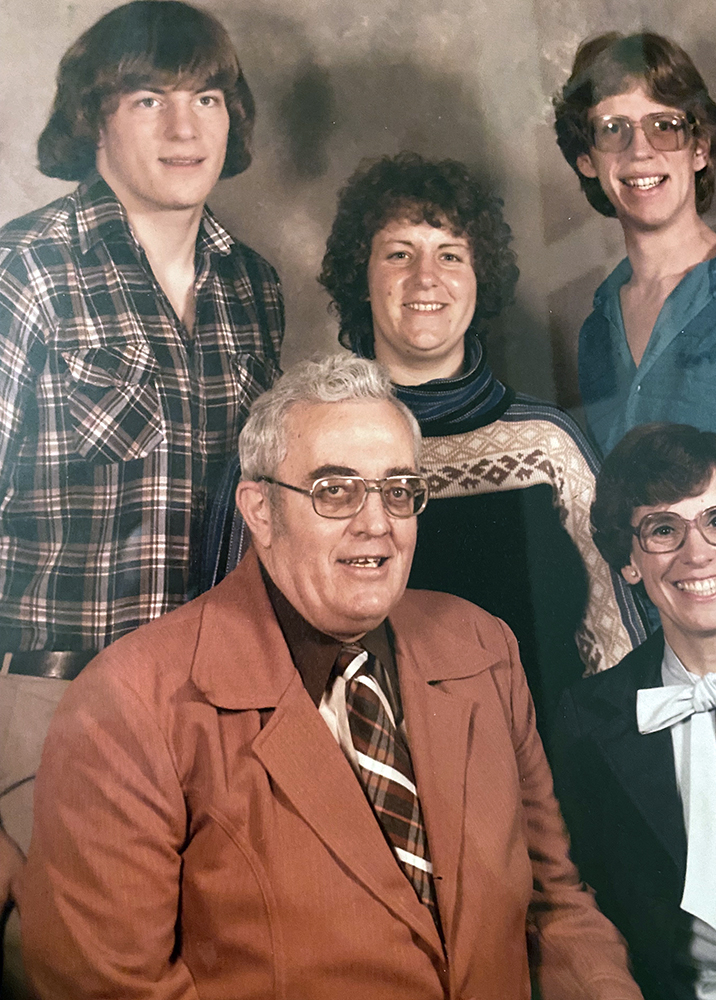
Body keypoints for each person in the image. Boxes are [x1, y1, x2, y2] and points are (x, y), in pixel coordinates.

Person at [20, 355, 643, 1000]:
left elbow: (555, 906)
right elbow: (109, 987)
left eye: (398, 489)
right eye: (335, 490)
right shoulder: (129, 702)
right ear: (260, 512)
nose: (377, 523)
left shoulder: (483, 646)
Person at [0, 1, 283, 990]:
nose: (183, 126)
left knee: (217, 955)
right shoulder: (24, 270)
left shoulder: (252, 285)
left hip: (215, 698)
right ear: (95, 116)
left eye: (207, 97)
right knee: (77, 970)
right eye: (149, 97)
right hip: (60, 689)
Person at [204, 152, 645, 743]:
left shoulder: (549, 445)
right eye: (398, 253)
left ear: (479, 276)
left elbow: (620, 653)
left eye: (451, 255)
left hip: (542, 775)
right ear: (361, 275)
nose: (425, 278)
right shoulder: (289, 443)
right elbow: (235, 643)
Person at [554, 32, 716, 638]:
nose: (640, 151)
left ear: (699, 148)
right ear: (588, 159)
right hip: (664, 657)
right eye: (613, 129)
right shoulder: (594, 335)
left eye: (664, 126)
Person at [552, 423, 716, 1000]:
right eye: (664, 529)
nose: (697, 553)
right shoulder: (588, 719)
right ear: (630, 561)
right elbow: (579, 904)